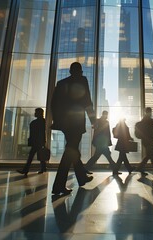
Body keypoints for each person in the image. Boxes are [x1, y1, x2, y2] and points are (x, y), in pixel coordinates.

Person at [51, 62, 95, 195]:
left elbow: (54, 104)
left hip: (65, 124)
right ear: (80, 71)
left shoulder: (61, 83)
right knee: (70, 151)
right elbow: (87, 101)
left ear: (70, 71)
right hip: (76, 123)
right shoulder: (82, 80)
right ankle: (58, 186)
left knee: (72, 149)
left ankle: (81, 178)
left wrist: (58, 122)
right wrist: (93, 120)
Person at [17, 108, 47, 176]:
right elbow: (42, 133)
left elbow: (40, 133)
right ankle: (43, 168)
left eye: (36, 112)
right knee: (40, 156)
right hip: (39, 142)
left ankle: (26, 170)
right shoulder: (42, 121)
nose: (35, 113)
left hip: (37, 142)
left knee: (31, 156)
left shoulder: (38, 122)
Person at [136, 107, 153, 176]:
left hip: (145, 141)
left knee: (149, 155)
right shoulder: (149, 120)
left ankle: (140, 167)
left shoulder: (143, 120)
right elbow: (149, 131)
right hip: (149, 141)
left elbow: (145, 131)